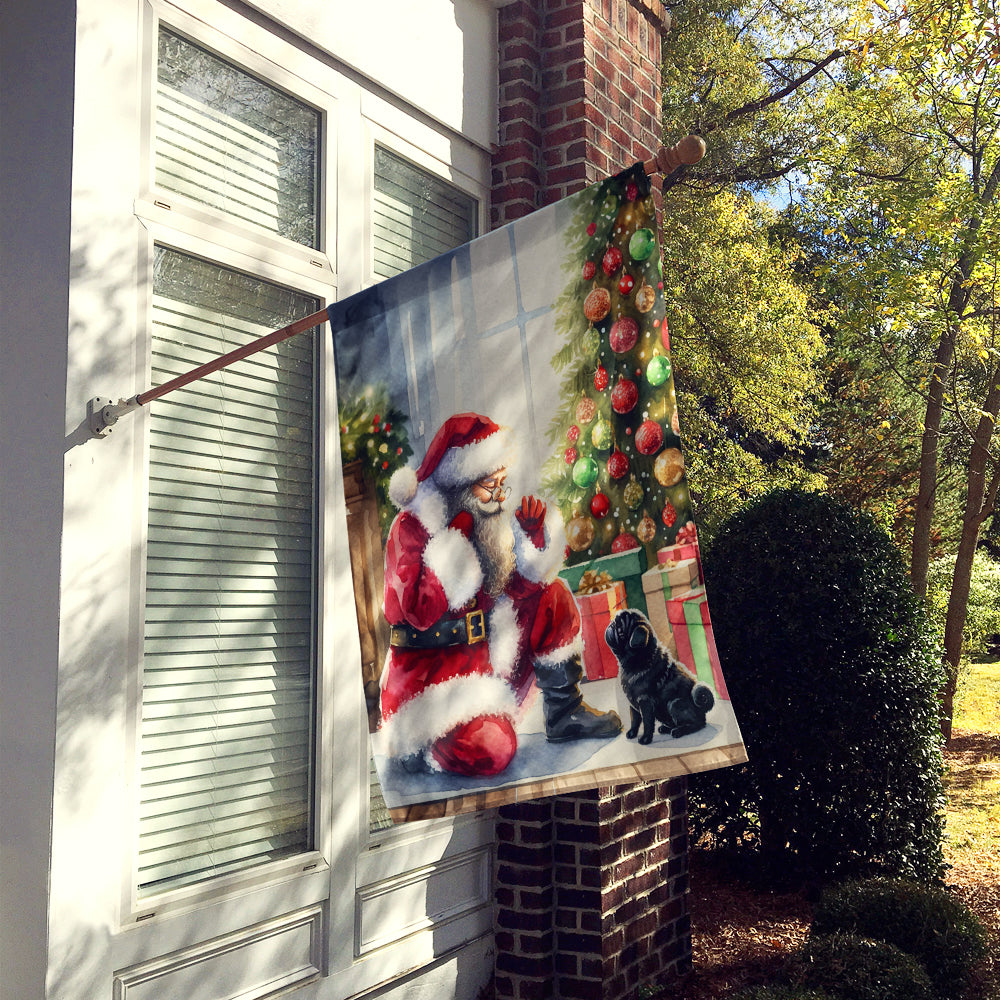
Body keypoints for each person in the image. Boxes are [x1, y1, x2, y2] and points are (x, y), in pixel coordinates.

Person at [379, 412, 622, 777]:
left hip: (481, 660)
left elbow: (513, 592)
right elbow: (414, 611)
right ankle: (423, 747)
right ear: (459, 485)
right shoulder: (411, 527)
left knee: (551, 595)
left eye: (501, 484)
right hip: (427, 684)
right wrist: (455, 542)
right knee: (494, 748)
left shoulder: (483, 523)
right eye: (487, 486)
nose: (497, 496)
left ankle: (564, 711)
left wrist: (531, 538)